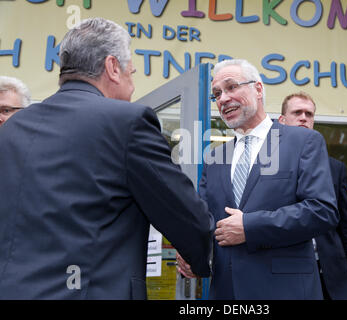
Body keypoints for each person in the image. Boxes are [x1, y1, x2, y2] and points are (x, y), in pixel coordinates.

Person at [0, 18, 214, 299]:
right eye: (132, 74)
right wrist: (200, 258)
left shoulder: (15, 126)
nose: (133, 87)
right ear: (113, 67)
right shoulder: (128, 122)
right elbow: (182, 211)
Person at [177, 59, 338, 299]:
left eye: (231, 87)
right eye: (217, 94)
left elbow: (322, 211)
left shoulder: (303, 142)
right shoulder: (214, 157)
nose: (222, 98)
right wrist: (194, 256)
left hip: (286, 292)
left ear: (259, 89)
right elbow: (208, 221)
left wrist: (250, 227)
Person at [278, 91, 347, 300]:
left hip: (331, 277)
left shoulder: (335, 168)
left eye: (309, 114)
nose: (303, 118)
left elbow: (346, 231)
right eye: (297, 112)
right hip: (285, 273)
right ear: (281, 120)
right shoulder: (267, 166)